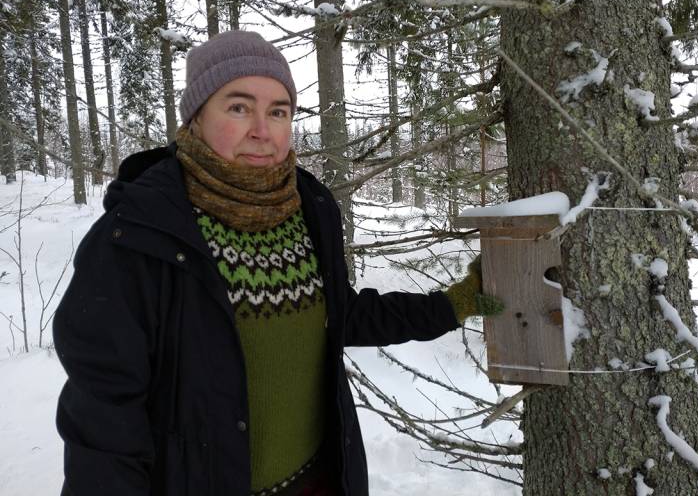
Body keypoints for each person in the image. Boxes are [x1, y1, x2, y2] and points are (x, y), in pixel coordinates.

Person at [53, 30, 500, 496]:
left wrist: (455, 303)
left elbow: (340, 317)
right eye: (238, 107)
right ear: (195, 118)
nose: (262, 131)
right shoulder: (139, 235)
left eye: (278, 111)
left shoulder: (308, 209)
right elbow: (105, 421)